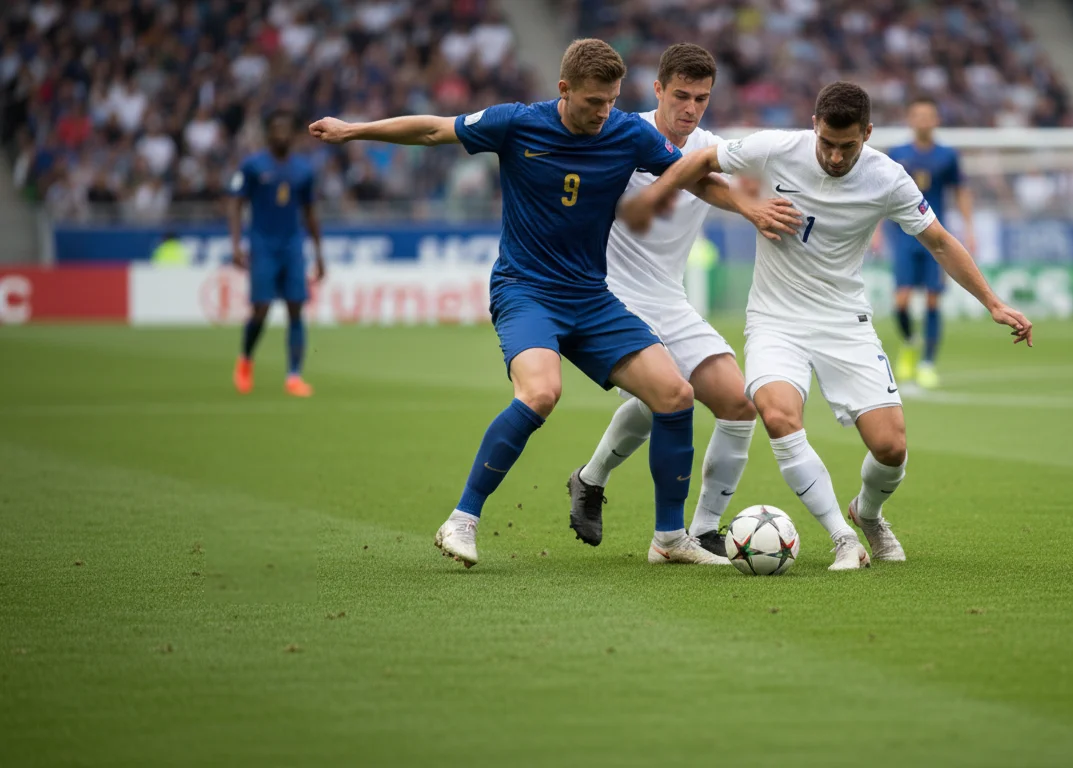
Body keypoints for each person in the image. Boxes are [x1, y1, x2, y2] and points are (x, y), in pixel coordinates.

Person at [309, 39, 793, 568]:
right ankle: (463, 518)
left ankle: (671, 537)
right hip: (526, 289)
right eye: (593, 102)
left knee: (674, 395)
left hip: (591, 296)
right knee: (541, 392)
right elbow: (432, 128)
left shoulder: (628, 132)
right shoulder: (516, 123)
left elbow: (696, 179)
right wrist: (354, 129)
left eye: (610, 101)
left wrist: (749, 207)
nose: (604, 112)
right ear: (564, 90)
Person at [620, 82, 1033, 570]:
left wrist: (993, 302)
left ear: (868, 134)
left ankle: (869, 515)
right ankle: (842, 537)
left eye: (848, 147)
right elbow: (703, 159)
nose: (835, 157)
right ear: (814, 125)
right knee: (776, 415)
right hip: (775, 320)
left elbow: (940, 242)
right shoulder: (776, 148)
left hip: (844, 322)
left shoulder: (889, 178)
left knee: (891, 446)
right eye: (827, 144)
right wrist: (655, 197)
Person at [567, 43, 800, 557]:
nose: (690, 108)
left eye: (701, 98)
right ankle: (615, 496)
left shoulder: (712, 146)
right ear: (657, 90)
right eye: (680, 95)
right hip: (612, 292)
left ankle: (704, 528)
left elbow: (743, 176)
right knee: (667, 395)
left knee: (739, 404)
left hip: (668, 297)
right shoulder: (622, 133)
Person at [229, 109, 325, 397]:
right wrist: (235, 244)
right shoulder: (252, 166)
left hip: (292, 245)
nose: (281, 135)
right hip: (262, 244)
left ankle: (294, 375)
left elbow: (310, 212)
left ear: (293, 135)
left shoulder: (303, 170)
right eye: (276, 129)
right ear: (268, 134)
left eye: (286, 130)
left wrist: (320, 254)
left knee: (296, 307)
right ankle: (245, 359)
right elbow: (235, 204)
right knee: (262, 308)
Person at [886, 96, 974, 389]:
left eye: (929, 115)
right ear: (910, 119)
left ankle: (927, 363)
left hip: (935, 235)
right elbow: (877, 192)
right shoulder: (897, 153)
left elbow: (960, 191)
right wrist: (873, 230)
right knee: (901, 301)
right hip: (903, 236)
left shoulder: (947, 156)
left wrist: (969, 227)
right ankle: (911, 342)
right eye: (918, 115)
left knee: (934, 300)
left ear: (936, 120)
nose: (923, 120)